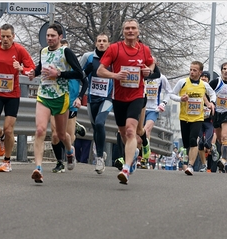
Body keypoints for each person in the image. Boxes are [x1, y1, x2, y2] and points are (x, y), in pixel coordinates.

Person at [97, 18, 155, 184]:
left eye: (133, 28)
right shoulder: (115, 48)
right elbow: (100, 70)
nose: (130, 31)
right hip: (119, 97)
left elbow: (151, 64)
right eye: (127, 28)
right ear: (124, 31)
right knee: (123, 133)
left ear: (138, 32)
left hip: (136, 96)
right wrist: (114, 75)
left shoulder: (144, 49)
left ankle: (127, 168)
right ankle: (133, 155)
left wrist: (147, 71)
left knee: (131, 131)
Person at [28, 23, 84, 183]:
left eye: (53, 36)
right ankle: (38, 168)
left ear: (60, 37)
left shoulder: (65, 51)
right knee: (39, 130)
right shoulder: (43, 51)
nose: (50, 38)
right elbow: (41, 66)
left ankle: (69, 150)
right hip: (44, 95)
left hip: (61, 97)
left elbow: (79, 73)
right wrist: (34, 72)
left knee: (60, 135)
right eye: (48, 35)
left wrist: (58, 73)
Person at [0, 23, 35, 173]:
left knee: (9, 129)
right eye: (2, 36)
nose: (5, 39)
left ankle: (7, 161)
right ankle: (2, 136)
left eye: (8, 36)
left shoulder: (19, 50)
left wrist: (21, 69)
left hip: (12, 95)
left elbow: (32, 69)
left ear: (13, 36)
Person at [169, 61, 216, 175]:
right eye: (190, 69)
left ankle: (190, 166)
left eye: (195, 70)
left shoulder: (204, 85)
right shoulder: (182, 82)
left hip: (198, 118)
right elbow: (171, 94)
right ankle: (187, 161)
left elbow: (213, 94)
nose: (192, 72)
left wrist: (212, 103)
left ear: (200, 72)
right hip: (184, 117)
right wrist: (181, 99)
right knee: (186, 144)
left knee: (193, 139)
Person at [50, 39, 88, 173]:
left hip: (70, 104)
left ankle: (71, 146)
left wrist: (79, 98)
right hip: (55, 101)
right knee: (55, 135)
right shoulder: (54, 65)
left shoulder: (74, 66)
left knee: (68, 137)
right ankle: (59, 162)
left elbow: (85, 81)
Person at [82, 33, 113, 174]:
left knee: (100, 123)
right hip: (92, 97)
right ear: (95, 43)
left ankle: (99, 157)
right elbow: (80, 74)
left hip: (107, 97)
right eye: (99, 41)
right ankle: (100, 151)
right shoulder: (88, 57)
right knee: (95, 127)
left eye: (104, 41)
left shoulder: (113, 58)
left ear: (108, 43)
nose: (101, 43)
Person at [140, 57, 172, 169]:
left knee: (146, 130)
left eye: (151, 63)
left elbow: (169, 92)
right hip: (140, 108)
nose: (149, 65)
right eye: (147, 62)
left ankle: (144, 158)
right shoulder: (141, 75)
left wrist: (163, 103)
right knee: (138, 133)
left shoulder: (161, 77)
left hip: (153, 109)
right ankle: (138, 154)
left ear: (156, 63)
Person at [197, 71, 219, 172]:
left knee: (206, 142)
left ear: (208, 80)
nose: (203, 78)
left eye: (206, 77)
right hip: (198, 121)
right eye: (202, 76)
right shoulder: (195, 90)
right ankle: (203, 164)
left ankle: (212, 149)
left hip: (209, 122)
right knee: (200, 143)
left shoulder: (211, 92)